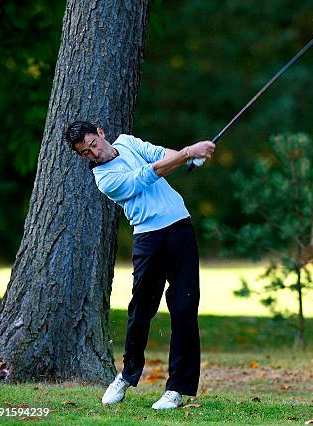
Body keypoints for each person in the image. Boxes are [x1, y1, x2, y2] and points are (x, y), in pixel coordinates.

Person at [65, 121, 215, 410]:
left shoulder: (127, 142)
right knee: (141, 311)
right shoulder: (104, 179)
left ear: (100, 133)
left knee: (185, 307)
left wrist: (191, 156)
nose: (94, 154)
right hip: (149, 239)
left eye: (93, 145)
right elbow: (148, 174)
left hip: (180, 228)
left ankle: (177, 389)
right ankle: (128, 374)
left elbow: (159, 154)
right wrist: (187, 153)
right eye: (85, 153)